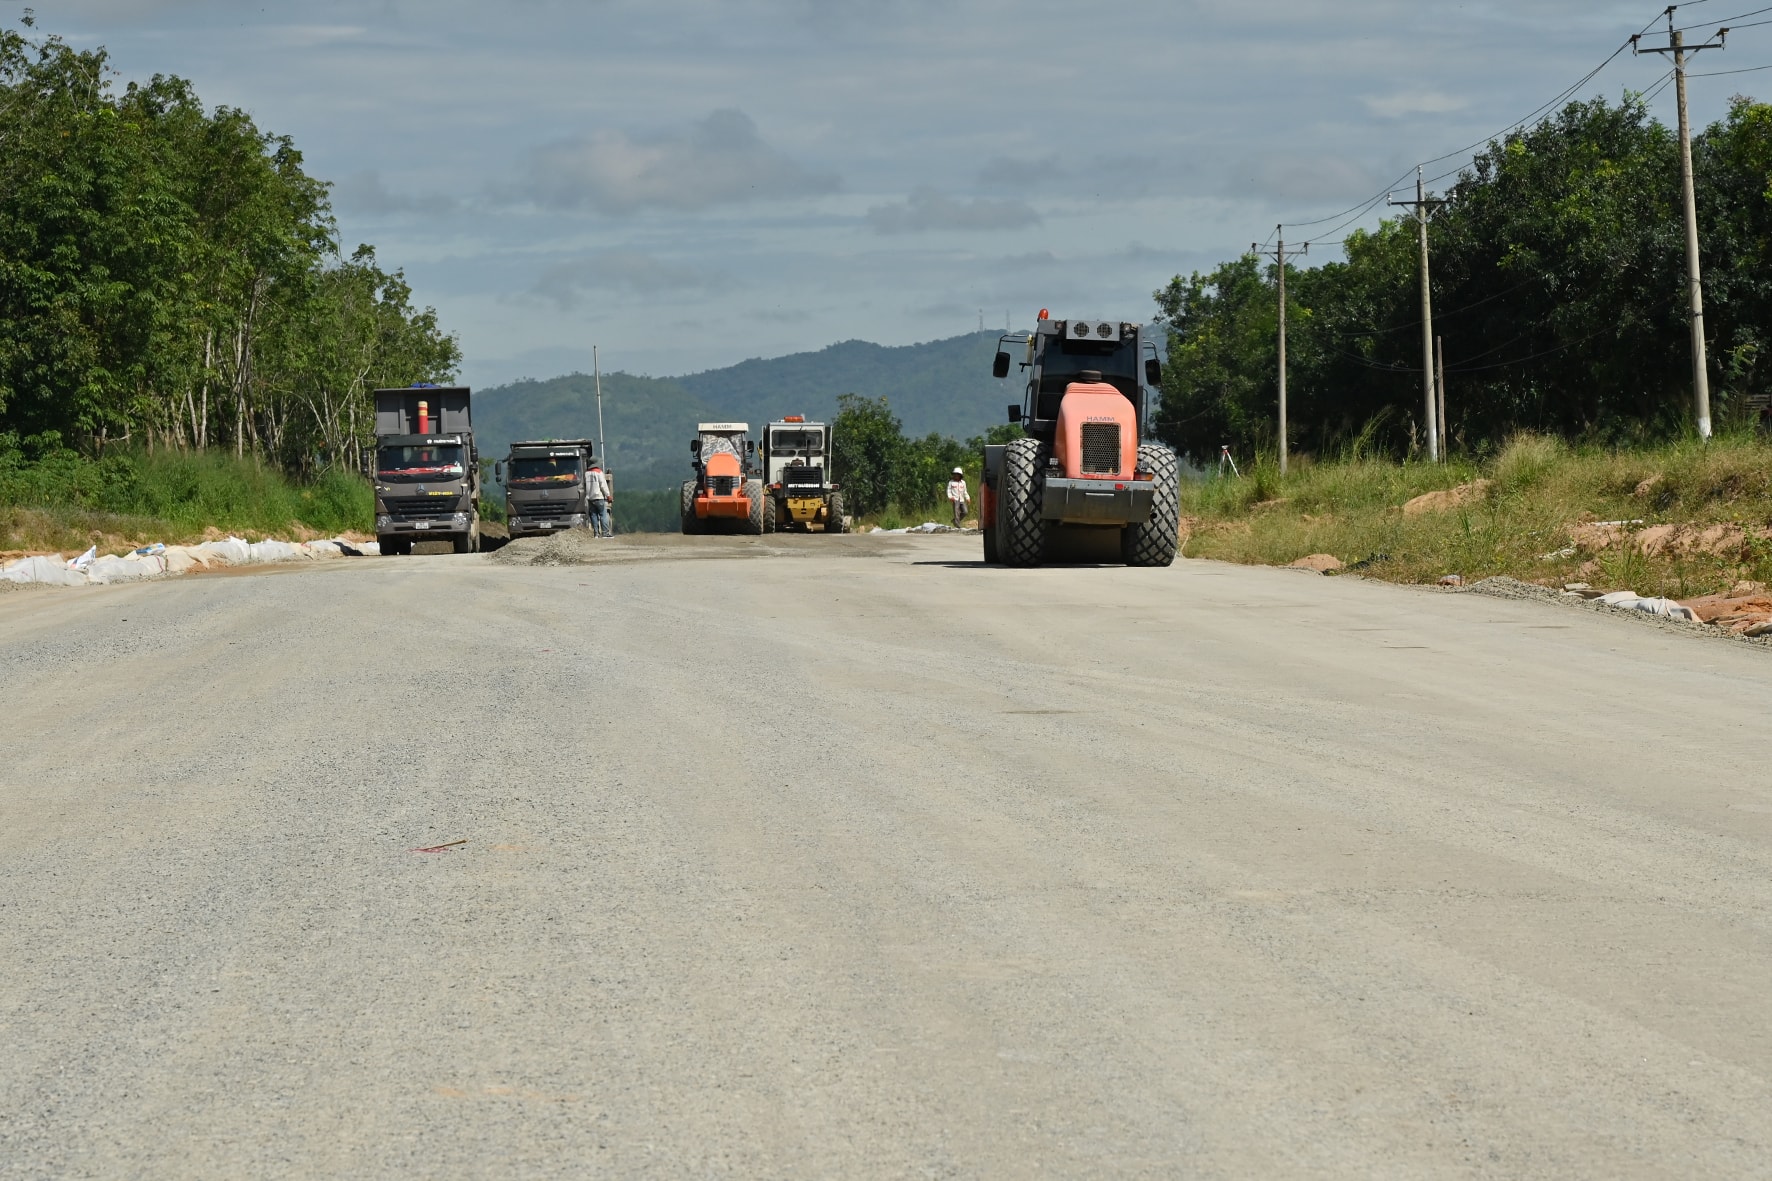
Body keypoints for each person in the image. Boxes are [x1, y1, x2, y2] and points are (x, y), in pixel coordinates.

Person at [587, 463, 613, 537]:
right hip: (598, 497)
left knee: (593, 515)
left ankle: (596, 533)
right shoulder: (599, 472)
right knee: (603, 515)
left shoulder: (586, 473)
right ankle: (605, 533)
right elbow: (603, 485)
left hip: (590, 498)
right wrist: (608, 495)